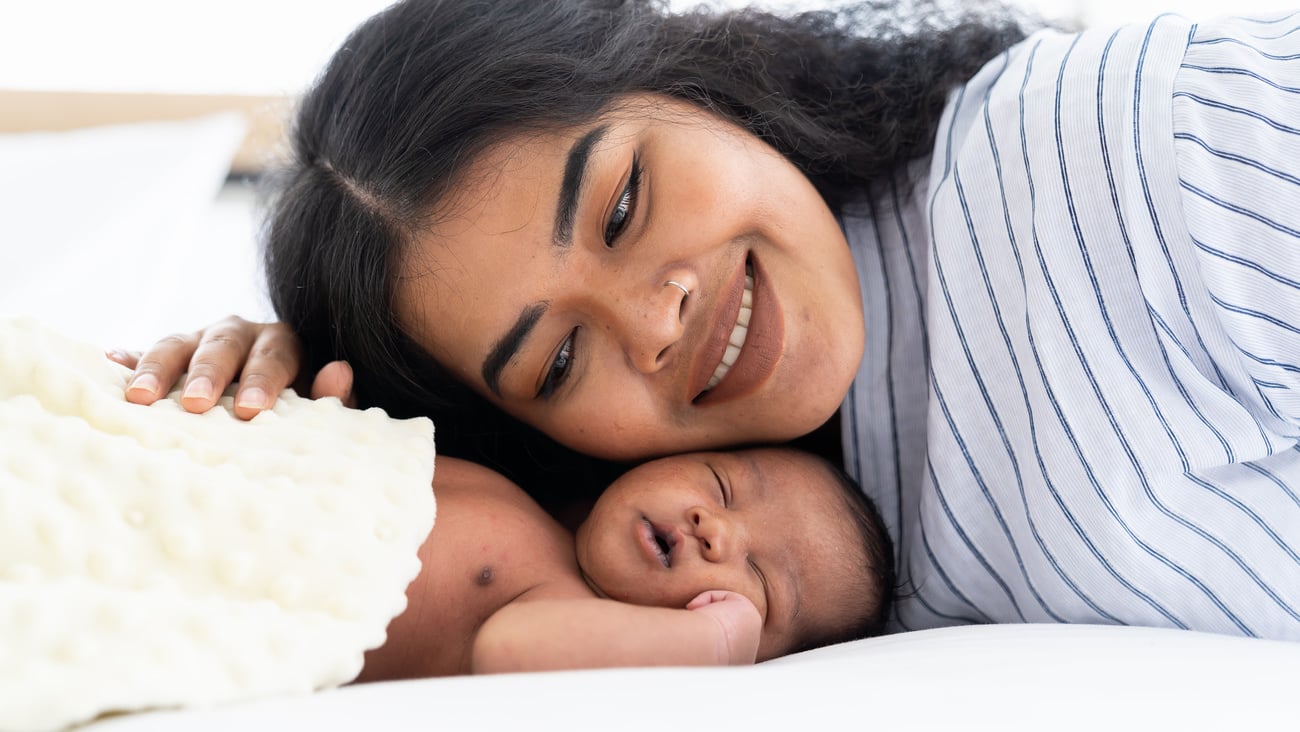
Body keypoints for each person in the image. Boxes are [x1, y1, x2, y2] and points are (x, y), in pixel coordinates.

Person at [115, 0, 1300, 640]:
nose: (655, 317)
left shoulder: (1143, 135)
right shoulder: (737, 558)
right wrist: (289, 436)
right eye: (560, 357)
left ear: (692, 85)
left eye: (624, 199)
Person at [358, 446, 893, 678]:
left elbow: (506, 651)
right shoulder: (530, 488)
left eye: (758, 578)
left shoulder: (565, 607)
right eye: (722, 486)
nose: (717, 531)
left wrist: (714, 643)